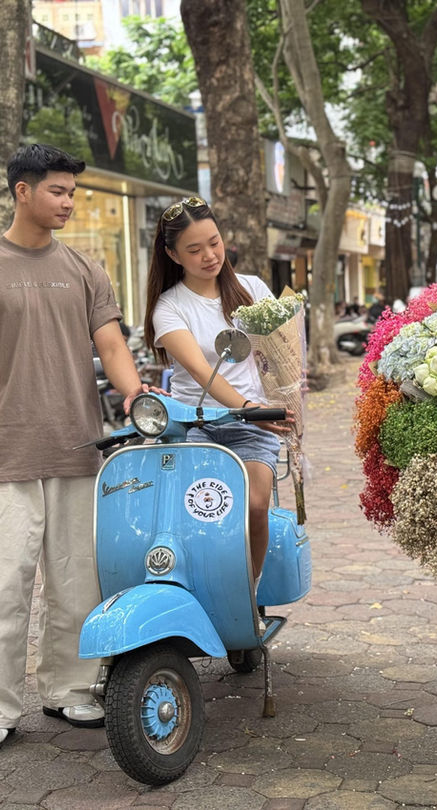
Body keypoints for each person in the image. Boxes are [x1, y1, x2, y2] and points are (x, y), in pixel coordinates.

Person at [0, 144, 153, 758]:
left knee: (77, 585)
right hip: (3, 457)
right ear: (22, 191)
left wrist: (139, 397)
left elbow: (111, 347)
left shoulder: (85, 269)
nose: (67, 202)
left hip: (81, 451)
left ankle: (70, 687)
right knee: (0, 588)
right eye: (58, 191)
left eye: (72, 194)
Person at [144, 196, 292, 582]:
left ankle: (247, 596)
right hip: (194, 427)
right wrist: (247, 406)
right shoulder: (169, 307)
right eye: (194, 249)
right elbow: (196, 370)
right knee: (194, 512)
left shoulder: (252, 290)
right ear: (173, 255)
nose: (209, 255)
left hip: (252, 426)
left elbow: (281, 351)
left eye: (214, 242)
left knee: (255, 506)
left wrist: (282, 397)